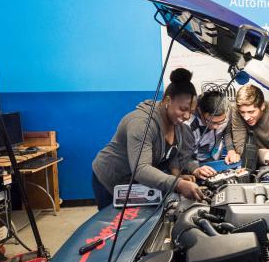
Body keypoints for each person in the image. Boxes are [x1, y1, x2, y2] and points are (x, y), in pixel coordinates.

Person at [91, 68, 216, 209]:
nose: (187, 116)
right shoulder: (141, 123)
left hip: (136, 183)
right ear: (168, 100)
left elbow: (175, 155)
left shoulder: (177, 124)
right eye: (183, 109)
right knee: (114, 225)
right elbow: (141, 169)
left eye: (191, 112)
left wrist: (186, 172)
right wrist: (177, 184)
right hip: (112, 177)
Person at [189, 90, 231, 163]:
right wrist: (194, 169)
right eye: (210, 122)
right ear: (199, 111)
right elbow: (182, 158)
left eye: (220, 122)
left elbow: (226, 132)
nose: (216, 127)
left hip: (215, 160)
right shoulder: (190, 126)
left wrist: (231, 149)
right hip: (197, 164)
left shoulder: (227, 113)